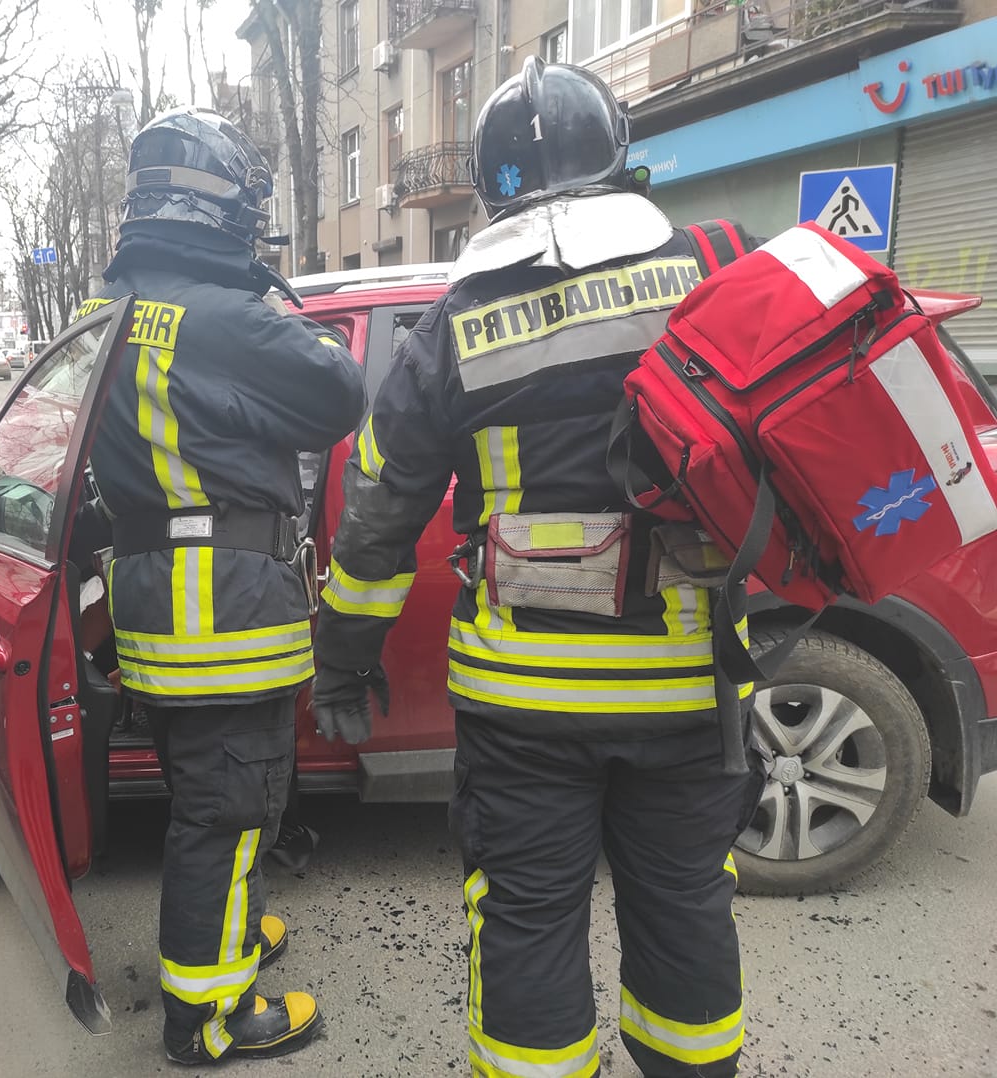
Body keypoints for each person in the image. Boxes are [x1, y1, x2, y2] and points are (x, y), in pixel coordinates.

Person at [311, 58, 765, 1078]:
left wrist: (344, 654)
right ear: (620, 158)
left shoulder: (456, 323)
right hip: (692, 692)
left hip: (523, 708)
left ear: (491, 186)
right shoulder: (717, 267)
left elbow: (380, 509)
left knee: (523, 922)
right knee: (688, 911)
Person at [85, 107, 366, 1066]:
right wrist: (260, 298)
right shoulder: (223, 318)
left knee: (213, 801)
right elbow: (339, 391)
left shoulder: (117, 308)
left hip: (164, 610)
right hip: (226, 617)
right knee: (227, 813)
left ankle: (229, 938)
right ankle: (206, 1018)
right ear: (224, 212)